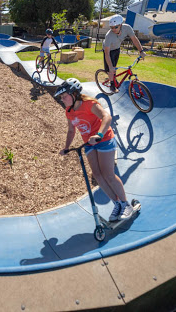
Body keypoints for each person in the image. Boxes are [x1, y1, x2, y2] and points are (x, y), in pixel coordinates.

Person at [56, 78, 135, 221]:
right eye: (61, 97)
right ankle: (117, 204)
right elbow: (71, 131)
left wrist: (99, 134)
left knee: (108, 174)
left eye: (64, 96)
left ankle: (126, 204)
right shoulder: (69, 112)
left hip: (104, 140)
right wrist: (66, 148)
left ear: (73, 94)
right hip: (89, 144)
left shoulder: (89, 104)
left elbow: (107, 117)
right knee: (97, 175)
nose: (62, 99)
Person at [103, 15, 146, 92]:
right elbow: (106, 53)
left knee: (114, 66)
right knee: (111, 69)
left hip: (117, 48)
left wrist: (141, 51)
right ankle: (112, 84)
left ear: (121, 25)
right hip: (108, 50)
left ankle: (113, 78)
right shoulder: (109, 36)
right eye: (111, 27)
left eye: (116, 27)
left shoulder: (127, 28)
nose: (113, 29)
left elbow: (134, 39)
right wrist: (110, 67)